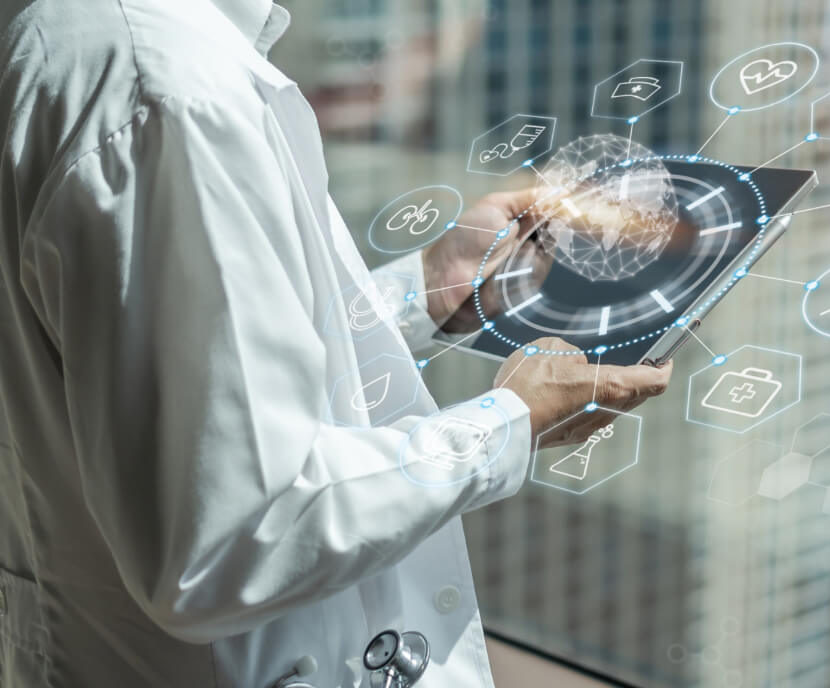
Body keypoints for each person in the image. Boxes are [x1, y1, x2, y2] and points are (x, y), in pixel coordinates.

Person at [0, 0, 671, 686]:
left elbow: (195, 359)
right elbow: (233, 539)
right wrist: (508, 422)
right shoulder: (173, 94)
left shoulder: (80, 38)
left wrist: (427, 291)